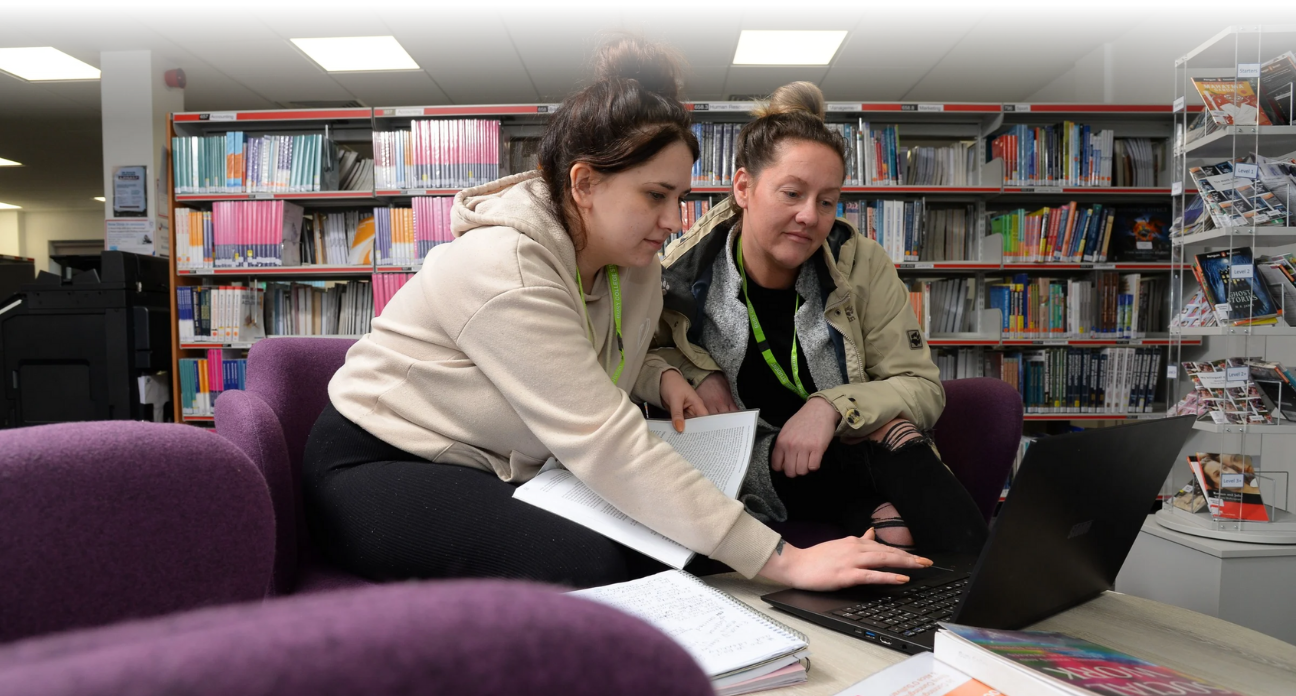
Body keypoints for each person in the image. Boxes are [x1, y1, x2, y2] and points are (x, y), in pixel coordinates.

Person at [303, 39, 932, 590]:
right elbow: (605, 442)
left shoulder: (630, 260)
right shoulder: (505, 267)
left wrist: (659, 377)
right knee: (605, 558)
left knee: (670, 543)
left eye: (680, 197)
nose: (674, 221)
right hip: (383, 463)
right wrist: (787, 562)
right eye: (655, 196)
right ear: (584, 184)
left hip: (500, 460)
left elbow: (592, 350)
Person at [658, 81, 988, 556]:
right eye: (792, 193)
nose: (810, 216)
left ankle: (985, 600)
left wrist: (831, 406)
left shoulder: (862, 263)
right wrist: (694, 372)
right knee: (894, 529)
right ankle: (979, 599)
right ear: (744, 188)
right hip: (744, 467)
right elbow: (641, 359)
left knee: (895, 440)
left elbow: (921, 387)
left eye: (828, 201)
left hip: (845, 452)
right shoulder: (682, 274)